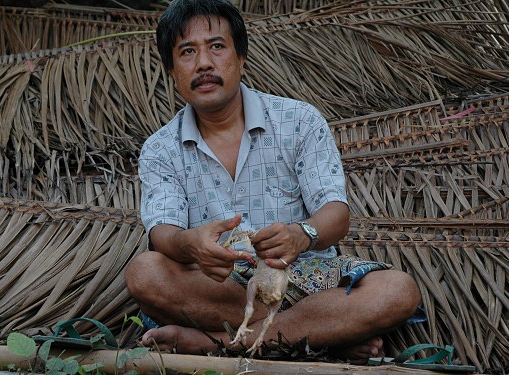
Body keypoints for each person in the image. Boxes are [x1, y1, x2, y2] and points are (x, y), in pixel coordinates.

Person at [125, 0, 421, 361]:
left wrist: (302, 234)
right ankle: (322, 335)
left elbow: (335, 214)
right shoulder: (159, 148)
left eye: (217, 46)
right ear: (172, 71)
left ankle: (209, 342)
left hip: (304, 280)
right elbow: (162, 233)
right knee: (145, 272)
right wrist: (191, 244)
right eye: (187, 52)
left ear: (241, 58)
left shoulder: (300, 121)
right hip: (219, 286)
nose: (204, 63)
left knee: (396, 290)